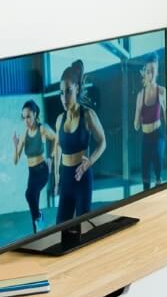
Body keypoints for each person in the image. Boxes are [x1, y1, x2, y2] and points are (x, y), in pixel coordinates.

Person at [52, 60, 107, 223]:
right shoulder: (59, 120)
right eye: (61, 92)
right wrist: (56, 178)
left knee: (82, 227)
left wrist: (89, 162)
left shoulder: (88, 115)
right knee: (61, 228)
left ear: (77, 88)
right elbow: (57, 148)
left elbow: (103, 142)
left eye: (68, 91)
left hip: (82, 179)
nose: (64, 97)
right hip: (66, 181)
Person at [13, 100, 57, 233]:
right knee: (34, 204)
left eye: (29, 117)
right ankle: (37, 233)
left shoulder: (42, 128)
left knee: (29, 194)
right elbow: (15, 161)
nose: (26, 121)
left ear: (35, 114)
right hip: (32, 173)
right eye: (24, 117)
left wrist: (51, 157)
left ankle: (40, 217)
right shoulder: (24, 135)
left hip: (42, 171)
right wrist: (15, 146)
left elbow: (55, 138)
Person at [133, 56, 167, 190]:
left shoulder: (162, 91)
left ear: (157, 72)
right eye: (148, 71)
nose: (151, 74)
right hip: (146, 137)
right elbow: (136, 126)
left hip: (158, 134)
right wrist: (138, 109)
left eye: (153, 71)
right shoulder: (140, 95)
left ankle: (159, 183)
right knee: (145, 176)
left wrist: (164, 106)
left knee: (158, 161)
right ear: (145, 73)